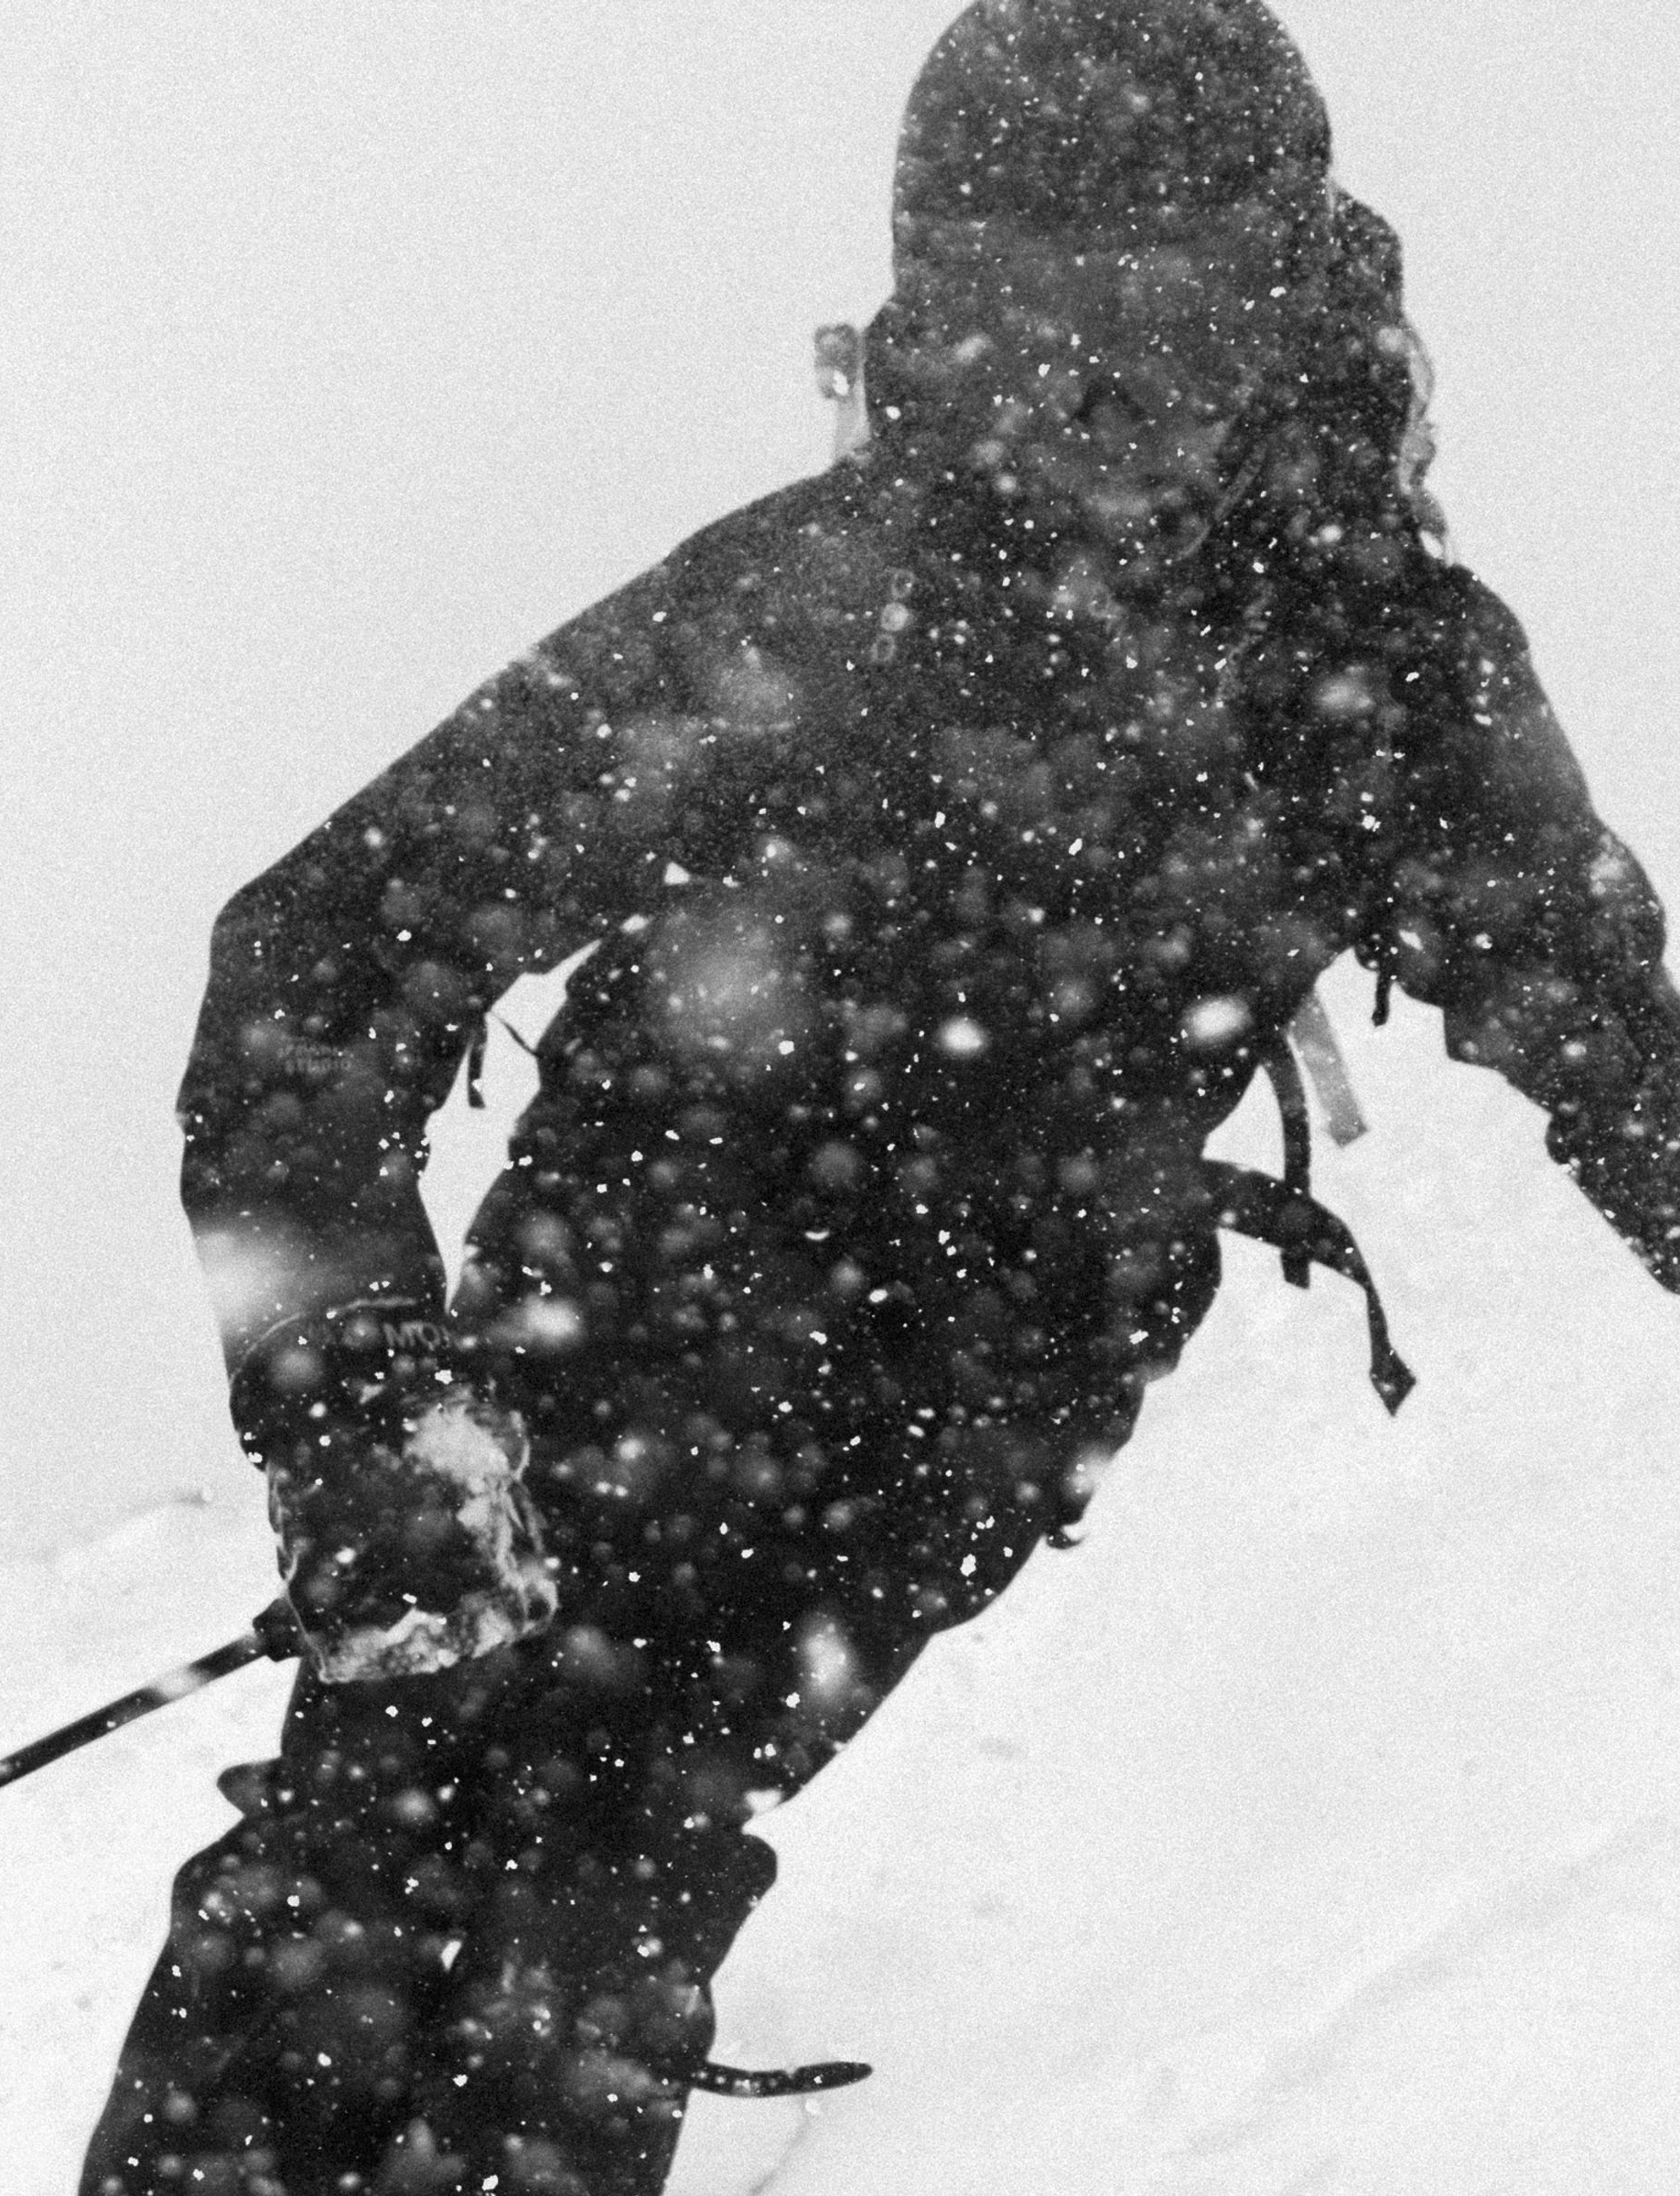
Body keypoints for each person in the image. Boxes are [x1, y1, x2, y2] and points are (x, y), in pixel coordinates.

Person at [81, 3, 1680, 2191]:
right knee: (381, 1851)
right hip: (631, 1289)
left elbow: (1636, 1062)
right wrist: (368, 1414)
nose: (1109, 420)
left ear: (1293, 312)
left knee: (601, 1865)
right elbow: (327, 954)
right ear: (941, 332)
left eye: (1178, 333)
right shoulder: (824, 615)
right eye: (1042, 345)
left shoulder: (1384, 680)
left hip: (970, 1387)